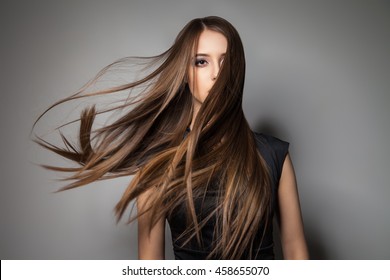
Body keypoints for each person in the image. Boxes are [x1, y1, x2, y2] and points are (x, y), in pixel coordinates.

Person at [34, 16, 309, 260]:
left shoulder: (274, 155)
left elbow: (296, 251)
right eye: (202, 62)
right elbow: (150, 263)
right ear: (186, 75)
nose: (217, 74)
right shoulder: (157, 163)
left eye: (226, 62)